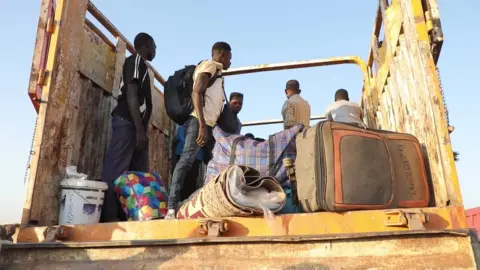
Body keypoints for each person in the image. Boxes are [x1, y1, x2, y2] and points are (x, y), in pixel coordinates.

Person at [165, 41, 232, 219]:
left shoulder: (217, 72)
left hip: (209, 125)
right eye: (230, 58)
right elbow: (197, 92)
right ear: (222, 55)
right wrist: (202, 124)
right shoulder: (209, 65)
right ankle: (171, 207)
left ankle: (208, 203)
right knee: (187, 160)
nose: (230, 63)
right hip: (199, 122)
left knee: (215, 163)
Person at [100, 33, 156, 222]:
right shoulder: (136, 60)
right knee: (115, 171)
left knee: (138, 174)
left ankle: (132, 215)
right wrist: (139, 128)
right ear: (146, 46)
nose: (155, 50)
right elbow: (131, 94)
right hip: (128, 123)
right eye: (154, 46)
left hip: (135, 126)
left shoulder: (142, 66)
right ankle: (108, 218)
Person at [172, 125, 205, 201]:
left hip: (193, 157)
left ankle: (183, 205)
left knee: (188, 183)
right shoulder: (187, 124)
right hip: (187, 155)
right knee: (183, 183)